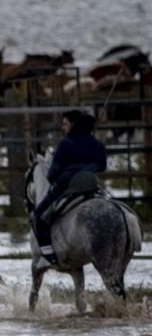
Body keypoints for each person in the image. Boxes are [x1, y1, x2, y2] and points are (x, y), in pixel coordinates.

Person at [32, 109, 107, 264]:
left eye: (65, 124)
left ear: (74, 125)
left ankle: (49, 255)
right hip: (93, 185)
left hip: (68, 186)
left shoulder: (66, 144)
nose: (63, 128)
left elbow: (52, 175)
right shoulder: (98, 145)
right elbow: (102, 167)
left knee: (38, 215)